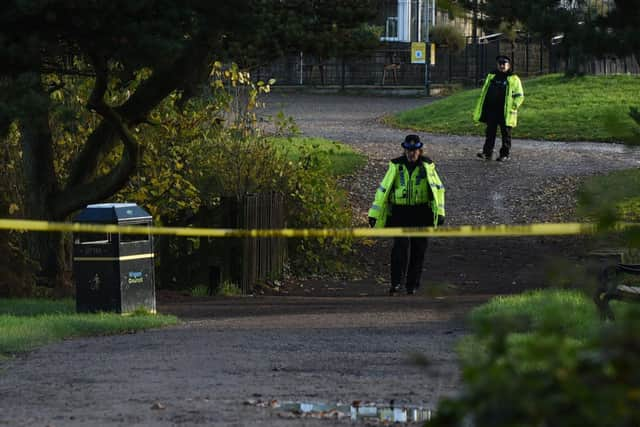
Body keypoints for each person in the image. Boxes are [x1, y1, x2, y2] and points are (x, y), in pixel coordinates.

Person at [367, 135, 446, 295]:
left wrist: (440, 212)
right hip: (400, 212)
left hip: (421, 212)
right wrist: (374, 213)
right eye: (409, 150)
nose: (411, 154)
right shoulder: (396, 166)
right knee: (399, 249)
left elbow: (438, 190)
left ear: (420, 150)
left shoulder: (428, 166)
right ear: (404, 150)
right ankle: (396, 283)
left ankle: (412, 285)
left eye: (414, 150)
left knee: (419, 250)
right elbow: (383, 190)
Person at [473, 55, 524, 162]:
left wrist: (514, 107)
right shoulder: (491, 76)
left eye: (504, 64)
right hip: (492, 110)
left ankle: (504, 154)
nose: (501, 66)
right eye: (500, 64)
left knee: (506, 134)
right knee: (490, 133)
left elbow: (519, 96)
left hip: (506, 112)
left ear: (508, 65)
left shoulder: (514, 78)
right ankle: (487, 153)